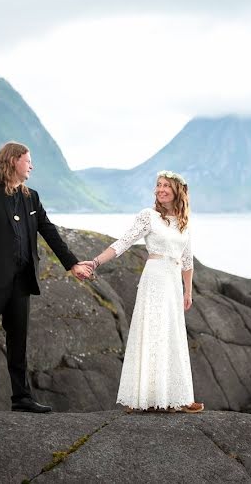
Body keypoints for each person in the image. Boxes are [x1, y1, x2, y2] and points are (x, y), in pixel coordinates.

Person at [0, 142, 92, 412]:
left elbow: (49, 232)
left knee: (18, 339)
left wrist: (72, 264)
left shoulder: (31, 197)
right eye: (27, 161)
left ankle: (21, 398)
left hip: (22, 280)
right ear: (13, 161)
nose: (31, 166)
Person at [83, 170, 204, 413]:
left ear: (177, 191)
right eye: (158, 185)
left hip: (173, 282)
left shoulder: (183, 223)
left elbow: (187, 261)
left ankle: (178, 397)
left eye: (166, 186)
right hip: (155, 278)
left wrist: (187, 291)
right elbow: (124, 242)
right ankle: (145, 398)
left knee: (173, 335)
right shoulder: (148, 216)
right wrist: (95, 262)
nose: (160, 189)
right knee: (152, 332)